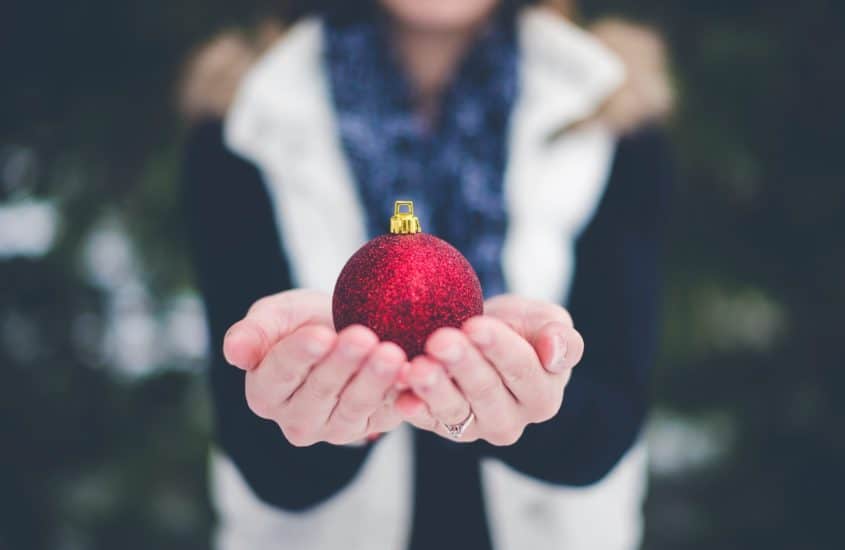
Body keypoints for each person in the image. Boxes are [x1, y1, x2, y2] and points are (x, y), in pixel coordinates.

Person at [180, 0, 673, 548]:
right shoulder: (246, 111)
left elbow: (611, 413)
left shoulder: (612, 103)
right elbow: (263, 456)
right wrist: (330, 416)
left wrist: (527, 399)